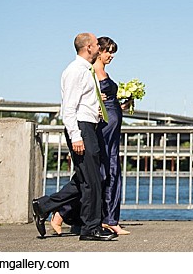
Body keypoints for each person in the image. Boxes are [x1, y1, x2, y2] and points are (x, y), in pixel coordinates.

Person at [31, 33, 117, 241]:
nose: (99, 46)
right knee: (91, 181)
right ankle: (90, 228)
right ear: (88, 47)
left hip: (90, 126)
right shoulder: (74, 71)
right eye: (97, 44)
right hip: (82, 128)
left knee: (84, 178)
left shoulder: (87, 71)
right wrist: (76, 136)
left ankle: (44, 206)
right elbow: (68, 108)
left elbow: (84, 102)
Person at [50, 37, 133, 236]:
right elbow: (69, 107)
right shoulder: (81, 70)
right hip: (94, 129)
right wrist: (76, 135)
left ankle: (98, 221)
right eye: (107, 50)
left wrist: (121, 106)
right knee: (95, 176)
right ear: (93, 48)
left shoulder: (91, 72)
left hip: (104, 128)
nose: (110, 55)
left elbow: (95, 102)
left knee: (99, 176)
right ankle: (64, 213)